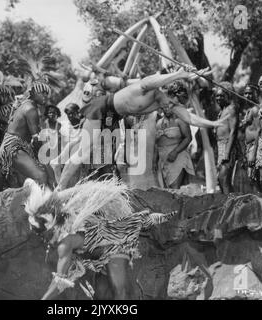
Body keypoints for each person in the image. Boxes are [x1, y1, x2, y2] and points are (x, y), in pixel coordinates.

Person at [56, 65, 226, 191]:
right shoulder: (150, 90)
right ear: (169, 93)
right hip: (102, 107)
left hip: (114, 118)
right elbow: (150, 81)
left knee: (99, 156)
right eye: (172, 102)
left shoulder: (166, 104)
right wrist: (178, 75)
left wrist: (214, 123)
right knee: (84, 151)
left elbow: (190, 118)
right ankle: (60, 188)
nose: (171, 107)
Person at [23, 177, 177, 300]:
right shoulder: (70, 227)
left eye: (41, 234)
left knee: (119, 291)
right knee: (102, 294)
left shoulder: (65, 243)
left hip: (114, 245)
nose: (41, 239)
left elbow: (59, 283)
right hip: (100, 255)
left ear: (50, 227)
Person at [0, 81, 50, 187]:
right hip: (14, 147)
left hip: (14, 146)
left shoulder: (26, 105)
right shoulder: (30, 109)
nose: (45, 96)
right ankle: (40, 203)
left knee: (24, 184)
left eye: (46, 93)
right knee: (41, 176)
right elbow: (36, 141)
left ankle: (23, 204)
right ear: (33, 93)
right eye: (42, 93)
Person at [155, 81, 195, 189]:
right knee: (166, 192)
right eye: (165, 106)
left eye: (170, 105)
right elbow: (156, 144)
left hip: (177, 157)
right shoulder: (159, 123)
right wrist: (155, 161)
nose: (167, 108)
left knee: (175, 191)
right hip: (163, 161)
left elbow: (188, 138)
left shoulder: (180, 119)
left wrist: (175, 152)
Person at [214, 82, 238, 194]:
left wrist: (227, 153)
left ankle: (232, 205)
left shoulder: (231, 109)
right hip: (221, 146)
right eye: (217, 96)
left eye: (221, 96)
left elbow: (233, 131)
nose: (218, 98)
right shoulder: (222, 110)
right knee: (221, 179)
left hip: (228, 146)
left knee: (224, 179)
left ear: (228, 95)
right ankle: (228, 204)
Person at [236, 83, 260, 192]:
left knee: (255, 178)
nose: (247, 96)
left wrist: (253, 153)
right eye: (245, 93)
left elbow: (259, 133)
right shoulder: (247, 111)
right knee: (249, 179)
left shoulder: (258, 109)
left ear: (257, 94)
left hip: (256, 147)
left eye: (250, 93)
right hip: (247, 147)